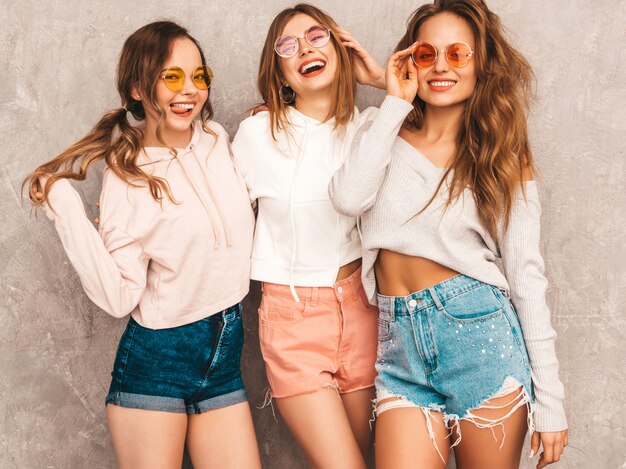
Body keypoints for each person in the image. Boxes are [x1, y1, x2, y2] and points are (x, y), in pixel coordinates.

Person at [329, 1, 568, 468]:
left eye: (458, 54)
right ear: (409, 61)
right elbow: (348, 198)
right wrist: (393, 98)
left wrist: (551, 400)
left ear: (482, 64)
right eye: (426, 53)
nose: (440, 65)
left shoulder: (500, 152)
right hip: (399, 346)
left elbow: (526, 275)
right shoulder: (383, 130)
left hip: (481, 337)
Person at [23, 21, 261, 469]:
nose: (189, 89)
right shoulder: (126, 176)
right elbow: (118, 296)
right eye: (171, 77)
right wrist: (67, 211)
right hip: (158, 360)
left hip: (226, 349)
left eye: (198, 76)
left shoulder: (217, 140)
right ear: (137, 88)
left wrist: (272, 123)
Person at [231, 4, 385, 468]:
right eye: (288, 45)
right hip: (292, 316)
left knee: (365, 457)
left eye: (317, 37)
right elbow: (216, 211)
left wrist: (378, 80)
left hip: (363, 310)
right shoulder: (257, 134)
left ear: (341, 49)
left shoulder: (369, 128)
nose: (304, 50)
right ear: (278, 69)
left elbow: (444, 125)